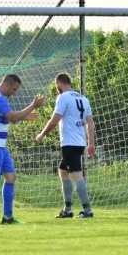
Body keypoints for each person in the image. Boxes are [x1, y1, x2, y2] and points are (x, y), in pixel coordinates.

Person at [0, 74, 47, 225]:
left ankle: (7, 217)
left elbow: (4, 118)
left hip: (0, 145)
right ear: (6, 85)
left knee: (11, 177)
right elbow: (12, 117)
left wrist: (25, 116)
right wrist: (32, 105)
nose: (14, 92)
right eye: (14, 89)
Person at [35, 73, 96, 219]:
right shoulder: (83, 99)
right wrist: (91, 143)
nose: (57, 89)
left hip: (69, 143)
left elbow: (55, 120)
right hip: (80, 143)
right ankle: (67, 209)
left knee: (77, 175)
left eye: (57, 86)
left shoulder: (63, 98)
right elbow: (90, 122)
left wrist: (42, 134)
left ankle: (87, 210)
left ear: (59, 83)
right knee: (62, 171)